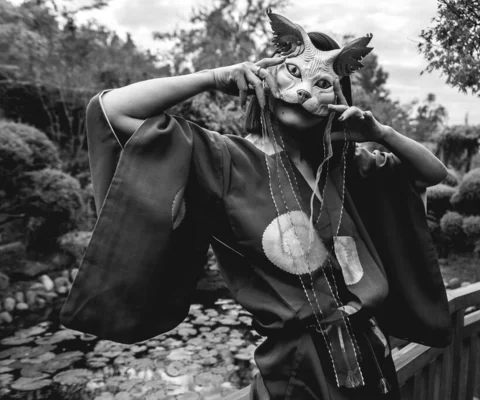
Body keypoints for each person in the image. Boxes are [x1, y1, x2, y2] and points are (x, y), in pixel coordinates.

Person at [61, 11, 452, 400]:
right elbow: (112, 110)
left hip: (372, 361)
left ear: (337, 97)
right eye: (292, 73)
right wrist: (215, 78)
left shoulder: (347, 165)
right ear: (266, 76)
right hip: (296, 371)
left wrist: (380, 133)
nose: (303, 92)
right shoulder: (225, 159)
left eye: (322, 84)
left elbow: (431, 173)